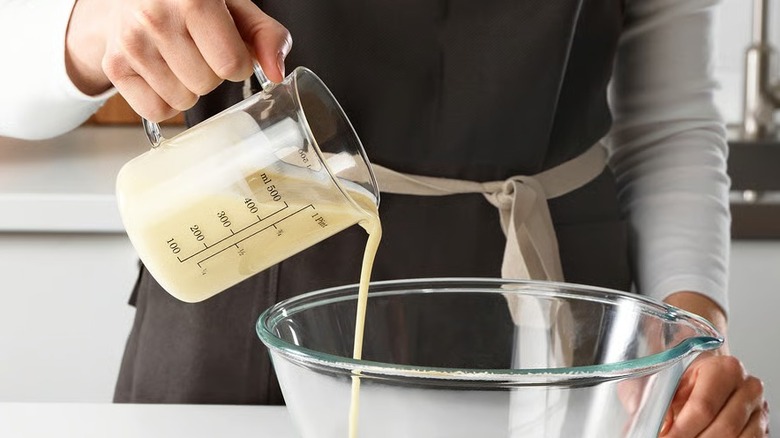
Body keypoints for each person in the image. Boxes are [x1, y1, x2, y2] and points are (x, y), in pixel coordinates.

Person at [0, 0, 770, 435]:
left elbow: (667, 122)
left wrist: (684, 331)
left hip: (560, 337)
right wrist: (84, 26)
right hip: (246, 308)